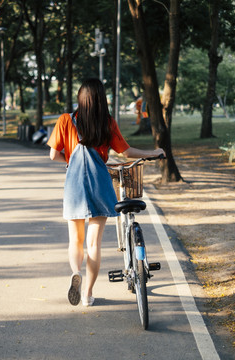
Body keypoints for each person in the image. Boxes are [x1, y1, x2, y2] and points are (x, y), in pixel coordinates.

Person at [47, 78, 165, 307]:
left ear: (81, 98)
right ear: (101, 100)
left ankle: (75, 272)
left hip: (74, 186)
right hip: (100, 182)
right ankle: (88, 295)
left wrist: (70, 160)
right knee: (94, 244)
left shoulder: (65, 121)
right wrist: (154, 152)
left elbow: (53, 154)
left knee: (75, 240)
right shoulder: (107, 123)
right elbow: (126, 152)